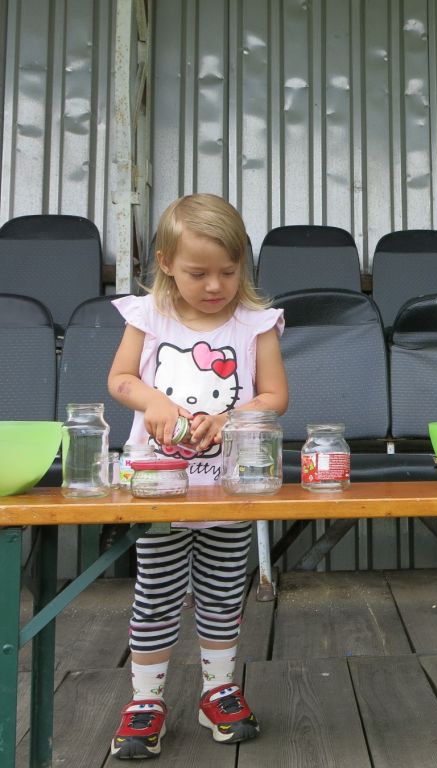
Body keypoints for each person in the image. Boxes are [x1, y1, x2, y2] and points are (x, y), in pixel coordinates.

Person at [107, 194, 288, 758]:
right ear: (165, 263)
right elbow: (120, 379)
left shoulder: (255, 324)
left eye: (228, 272)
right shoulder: (148, 316)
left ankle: (219, 689)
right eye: (198, 273)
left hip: (229, 486)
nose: (215, 286)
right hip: (160, 487)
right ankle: (146, 700)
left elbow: (275, 396)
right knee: (156, 596)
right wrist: (154, 401)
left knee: (222, 593)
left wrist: (231, 416)